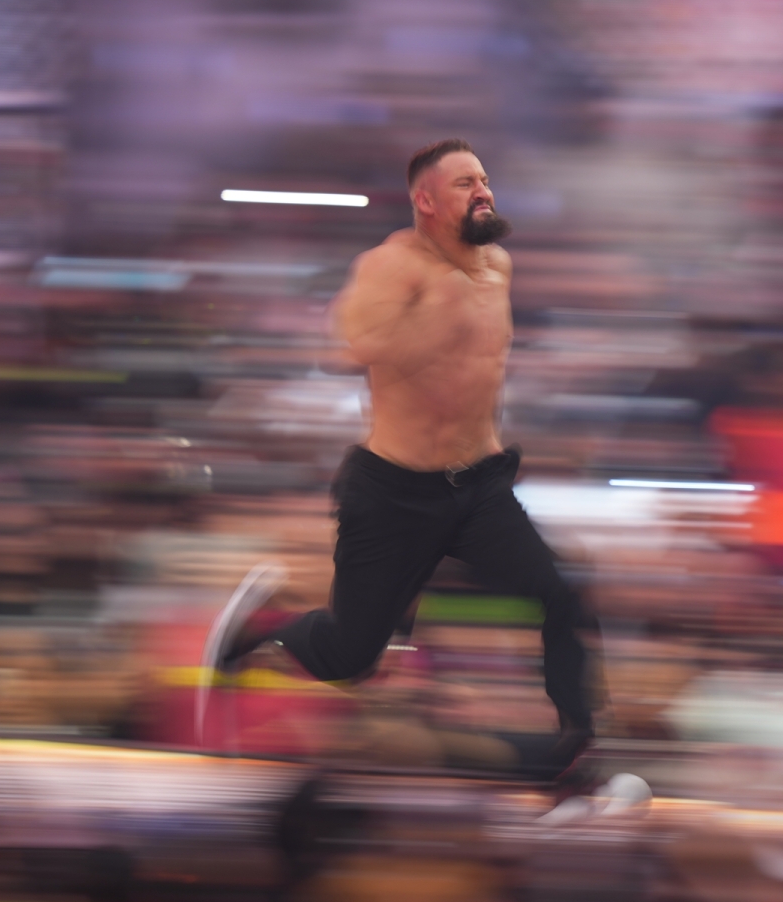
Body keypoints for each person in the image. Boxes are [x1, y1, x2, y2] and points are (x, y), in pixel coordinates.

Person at [201, 139, 598, 773]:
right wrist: (435, 313)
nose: (483, 192)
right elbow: (349, 346)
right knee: (350, 658)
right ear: (426, 201)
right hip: (396, 491)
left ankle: (576, 743)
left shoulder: (498, 266)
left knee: (561, 593)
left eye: (484, 180)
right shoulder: (392, 265)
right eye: (466, 183)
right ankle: (260, 629)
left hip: (479, 487)